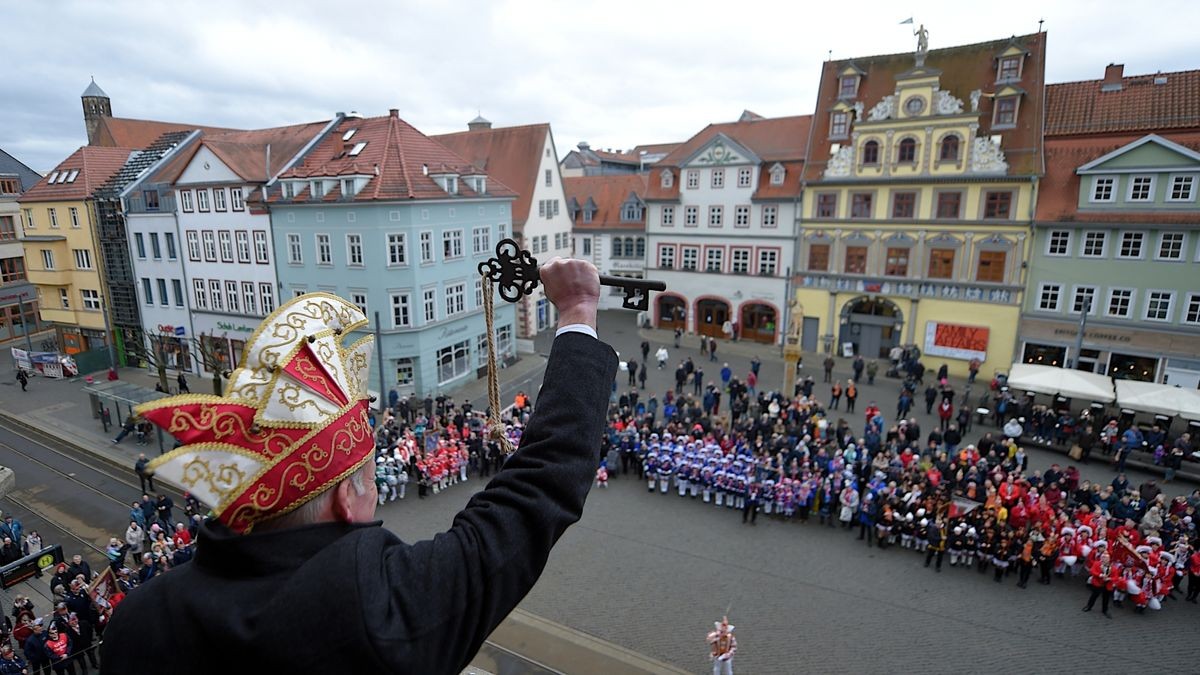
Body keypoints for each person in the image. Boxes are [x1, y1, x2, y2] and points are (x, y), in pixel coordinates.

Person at [103, 260, 618, 673]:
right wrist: (577, 308)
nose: (373, 497)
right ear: (347, 499)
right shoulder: (375, 606)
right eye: (369, 482)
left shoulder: (137, 620)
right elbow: (540, 487)